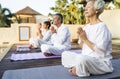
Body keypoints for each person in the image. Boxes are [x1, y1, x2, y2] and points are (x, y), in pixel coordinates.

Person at [62, 0, 113, 77]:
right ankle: (81, 67)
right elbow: (82, 47)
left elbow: (100, 51)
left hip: (100, 62)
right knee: (65, 54)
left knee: (82, 59)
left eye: (88, 7)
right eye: (85, 7)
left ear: (96, 10)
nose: (85, 9)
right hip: (86, 58)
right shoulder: (87, 26)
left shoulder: (102, 27)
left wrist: (85, 39)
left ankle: (80, 70)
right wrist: (81, 37)